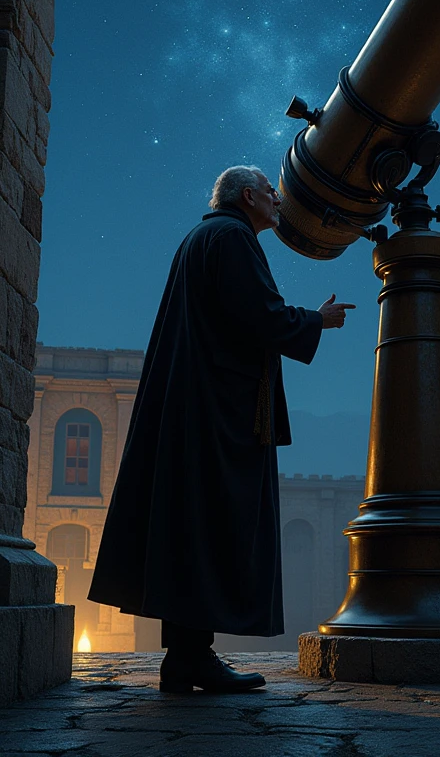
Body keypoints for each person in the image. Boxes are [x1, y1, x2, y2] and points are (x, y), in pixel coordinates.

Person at [88, 165, 355, 693]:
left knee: (191, 528)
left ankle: (186, 658)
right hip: (217, 412)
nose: (280, 201)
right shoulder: (231, 237)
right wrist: (315, 320)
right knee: (210, 525)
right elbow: (257, 312)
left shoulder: (203, 236)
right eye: (272, 193)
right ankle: (192, 658)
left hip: (196, 406)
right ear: (249, 196)